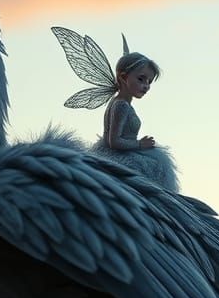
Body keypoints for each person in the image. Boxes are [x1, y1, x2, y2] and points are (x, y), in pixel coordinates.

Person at [53, 27, 179, 191]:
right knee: (157, 168)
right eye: (141, 79)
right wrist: (140, 144)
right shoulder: (121, 105)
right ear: (124, 77)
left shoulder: (121, 103)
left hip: (122, 152)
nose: (146, 86)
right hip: (118, 156)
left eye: (149, 82)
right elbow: (114, 142)